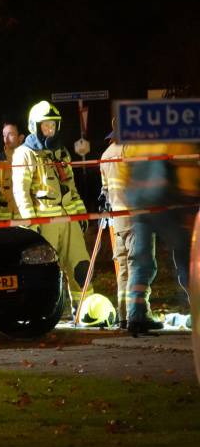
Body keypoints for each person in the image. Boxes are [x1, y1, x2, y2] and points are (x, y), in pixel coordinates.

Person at [11, 100, 93, 309]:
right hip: (44, 221)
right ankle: (42, 310)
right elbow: (21, 191)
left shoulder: (61, 152)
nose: (50, 129)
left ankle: (85, 309)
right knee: (43, 269)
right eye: (45, 125)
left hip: (69, 219)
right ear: (35, 126)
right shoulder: (24, 153)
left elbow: (71, 186)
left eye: (53, 125)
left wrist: (81, 214)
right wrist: (31, 223)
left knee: (81, 265)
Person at [122, 141, 199, 336]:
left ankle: (136, 315)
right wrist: (190, 202)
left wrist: (130, 202)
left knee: (141, 261)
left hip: (140, 206)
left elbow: (125, 172)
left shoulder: (136, 142)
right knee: (185, 257)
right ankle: (198, 312)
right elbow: (187, 173)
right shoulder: (176, 139)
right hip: (166, 205)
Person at [99, 131, 132, 328]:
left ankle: (123, 315)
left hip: (117, 218)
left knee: (123, 268)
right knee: (136, 265)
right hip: (133, 215)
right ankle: (137, 313)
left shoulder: (105, 155)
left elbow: (105, 191)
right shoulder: (129, 150)